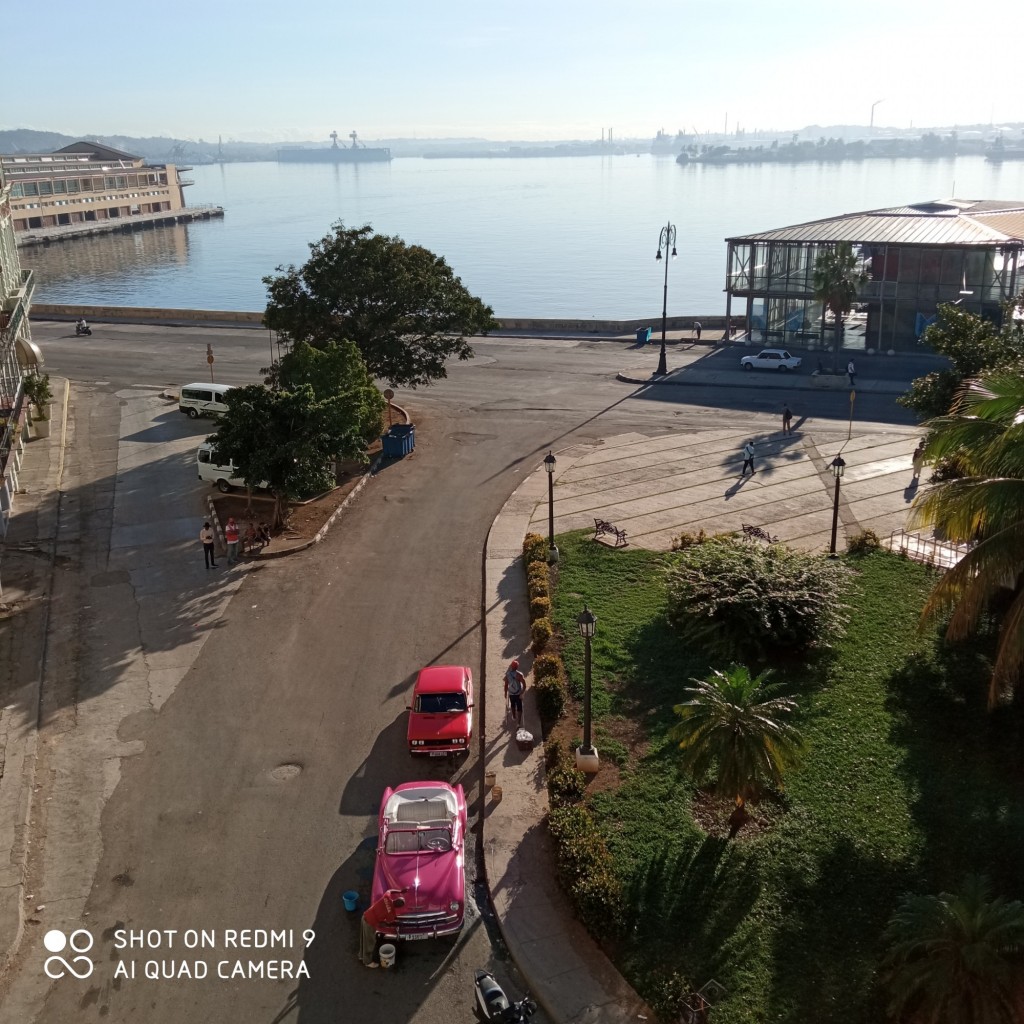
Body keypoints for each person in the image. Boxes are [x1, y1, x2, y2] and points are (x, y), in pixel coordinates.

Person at [359, 889, 405, 967]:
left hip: (365, 916)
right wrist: (392, 923)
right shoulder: (391, 913)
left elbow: (390, 890)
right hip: (370, 924)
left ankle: (361, 956)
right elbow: (383, 924)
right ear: (399, 907)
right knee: (370, 942)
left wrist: (400, 891)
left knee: (363, 938)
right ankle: (368, 962)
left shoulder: (386, 897)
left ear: (396, 899)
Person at [504, 659, 527, 727]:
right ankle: (518, 723)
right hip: (518, 693)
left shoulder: (507, 675)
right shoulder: (520, 675)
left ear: (511, 666)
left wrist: (505, 693)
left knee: (513, 705)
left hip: (511, 693)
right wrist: (522, 693)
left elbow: (506, 685)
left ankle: (514, 716)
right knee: (519, 708)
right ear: (517, 667)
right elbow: (524, 685)